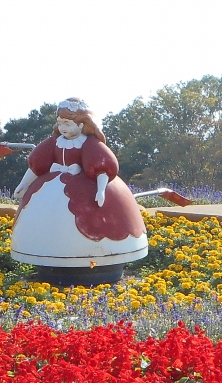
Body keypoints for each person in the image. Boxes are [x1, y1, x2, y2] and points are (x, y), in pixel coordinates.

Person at [9, 98, 147, 272]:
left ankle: (100, 260)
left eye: (68, 123)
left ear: (82, 125)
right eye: (60, 123)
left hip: (85, 190)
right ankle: (47, 260)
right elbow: (38, 162)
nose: (63, 128)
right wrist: (24, 183)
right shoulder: (54, 142)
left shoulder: (89, 144)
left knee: (88, 224)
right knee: (47, 224)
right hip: (49, 190)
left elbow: (101, 164)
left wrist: (101, 189)